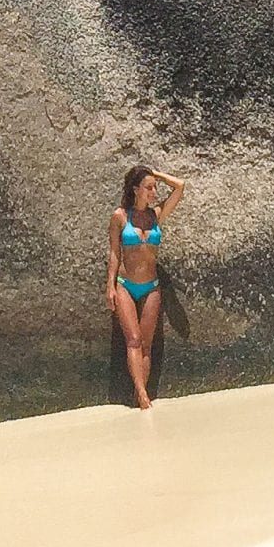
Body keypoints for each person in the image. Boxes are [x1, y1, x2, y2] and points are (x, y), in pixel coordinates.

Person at [107, 164, 186, 410]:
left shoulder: (156, 215)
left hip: (151, 286)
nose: (153, 192)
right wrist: (110, 286)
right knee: (133, 339)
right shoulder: (120, 216)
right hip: (125, 285)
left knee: (146, 345)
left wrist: (156, 174)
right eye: (148, 187)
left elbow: (180, 186)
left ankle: (140, 394)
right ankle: (142, 395)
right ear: (135, 189)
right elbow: (114, 253)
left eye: (154, 187)